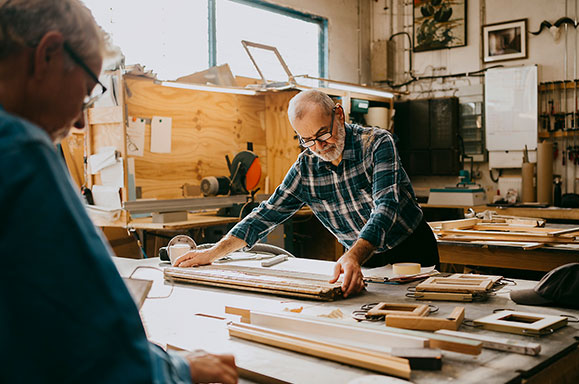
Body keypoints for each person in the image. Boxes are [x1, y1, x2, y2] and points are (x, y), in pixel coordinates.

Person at [0, 1, 237, 383]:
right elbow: (100, 347)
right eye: (86, 93)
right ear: (48, 54)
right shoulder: (19, 149)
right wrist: (178, 369)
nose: (80, 121)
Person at [176, 89, 439, 297]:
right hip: (363, 261)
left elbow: (386, 207)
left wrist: (352, 255)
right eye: (308, 140)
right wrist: (212, 253)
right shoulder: (306, 168)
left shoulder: (377, 144)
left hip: (411, 250)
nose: (319, 146)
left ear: (339, 115)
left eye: (323, 134)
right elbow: (265, 215)